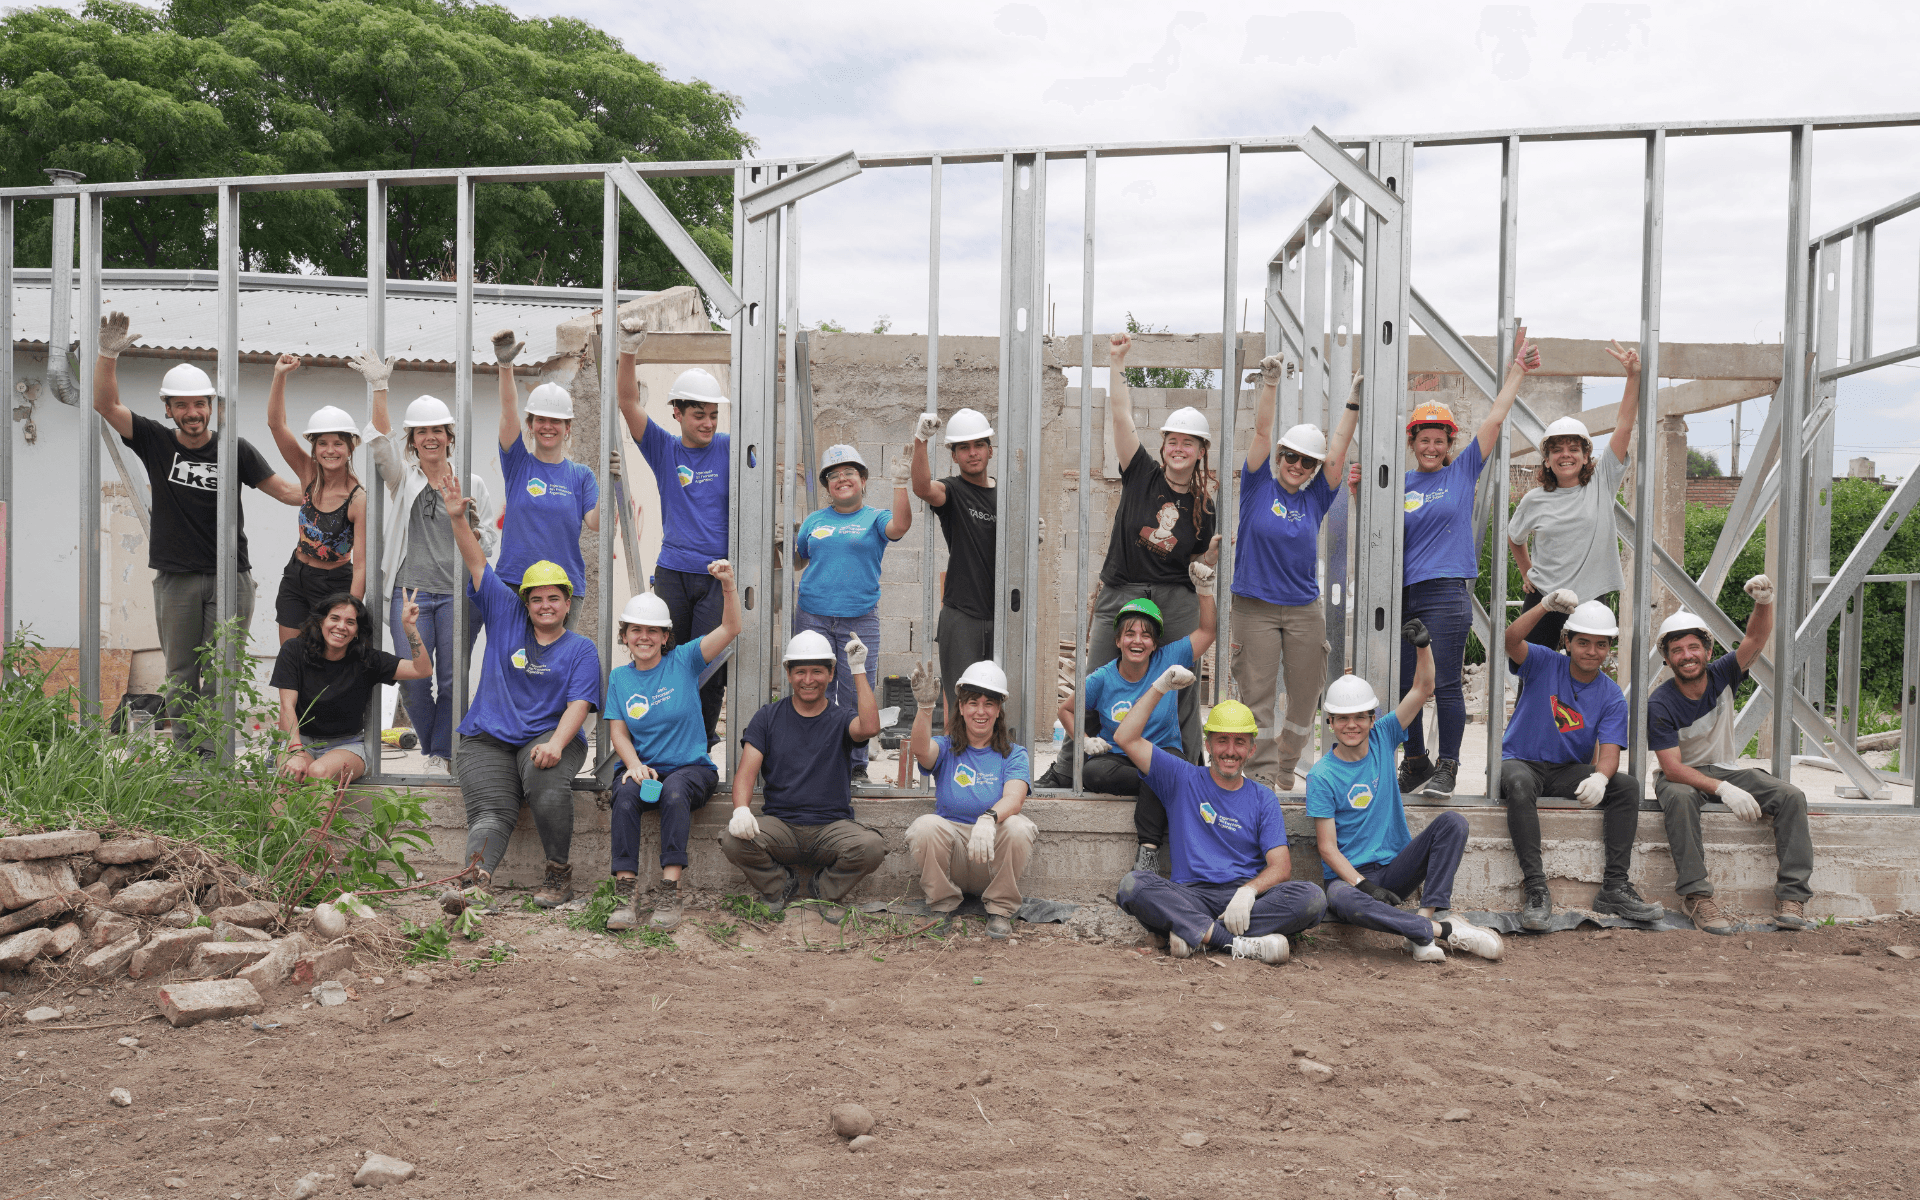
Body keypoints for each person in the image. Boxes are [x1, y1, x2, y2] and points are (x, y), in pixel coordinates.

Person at [90, 312, 303, 752]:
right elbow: (106, 406)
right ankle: (187, 757)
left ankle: (216, 756)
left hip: (231, 578)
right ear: (168, 409)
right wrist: (108, 355)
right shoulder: (154, 440)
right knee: (181, 673)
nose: (193, 413)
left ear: (211, 406)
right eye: (182, 405)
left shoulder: (234, 449)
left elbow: (287, 492)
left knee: (223, 671)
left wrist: (338, 488)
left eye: (200, 404)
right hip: (177, 578)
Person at [439, 475, 602, 905]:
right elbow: (477, 564)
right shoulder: (505, 612)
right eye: (536, 599)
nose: (545, 606)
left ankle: (558, 875)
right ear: (525, 602)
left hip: (548, 736)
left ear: (567, 602)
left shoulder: (581, 649)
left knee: (545, 781)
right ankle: (474, 884)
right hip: (486, 737)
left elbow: (579, 704)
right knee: (491, 811)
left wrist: (556, 744)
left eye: (554, 598)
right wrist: (458, 519)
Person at [1394, 329, 1539, 799]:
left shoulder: (1462, 472)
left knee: (1445, 684)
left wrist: (1517, 370)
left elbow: (1494, 419)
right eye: (1424, 440)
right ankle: (1415, 761)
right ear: (1413, 441)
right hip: (1404, 592)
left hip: (1445, 591)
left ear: (1449, 443)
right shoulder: (1399, 485)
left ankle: (1448, 765)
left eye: (1439, 440)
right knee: (1406, 683)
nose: (1432, 447)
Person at [1307, 626, 1506, 963]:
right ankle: (1439, 930)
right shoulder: (1321, 775)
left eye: (1359, 717)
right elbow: (1327, 848)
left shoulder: (1384, 736)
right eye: (1342, 718)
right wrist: (1363, 885)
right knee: (1340, 900)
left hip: (1396, 868)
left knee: (1453, 823)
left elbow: (1423, 688)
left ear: (1373, 718)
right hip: (1352, 879)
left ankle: (1424, 921)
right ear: (1329, 722)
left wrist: (1424, 646)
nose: (1351, 725)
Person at [1111, 670, 1327, 964]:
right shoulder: (1181, 778)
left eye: (1240, 742)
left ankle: (1195, 933)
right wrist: (1160, 687)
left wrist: (1248, 892)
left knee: (1312, 898)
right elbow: (1125, 737)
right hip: (1190, 897)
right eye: (1222, 740)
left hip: (1244, 904)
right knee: (1134, 885)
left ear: (1251, 749)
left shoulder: (1263, 798)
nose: (1230, 751)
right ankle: (1237, 944)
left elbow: (1281, 867)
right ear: (1208, 745)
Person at [1648, 578, 1815, 934]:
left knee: (1791, 796)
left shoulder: (1723, 674)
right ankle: (1696, 896)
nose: (1687, 655)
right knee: (1680, 798)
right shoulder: (1660, 703)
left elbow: (1755, 639)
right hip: (1681, 776)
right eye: (1677, 650)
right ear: (1667, 659)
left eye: (1694, 647)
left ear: (1708, 651)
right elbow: (1672, 768)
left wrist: (1764, 602)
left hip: (1725, 769)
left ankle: (1792, 897)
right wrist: (1724, 790)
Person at [359, 358, 499, 773]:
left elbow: (489, 542)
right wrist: (380, 387)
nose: (430, 437)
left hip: (459, 596)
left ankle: (444, 754)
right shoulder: (405, 479)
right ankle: (436, 747)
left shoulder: (472, 483)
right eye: (422, 431)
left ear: (449, 436)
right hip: (411, 596)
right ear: (413, 440)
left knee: (454, 680)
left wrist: (473, 530)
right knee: (413, 680)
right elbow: (380, 446)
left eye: (438, 430)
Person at [1089, 332, 1221, 760]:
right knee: (1097, 674)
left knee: (1182, 682)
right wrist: (1117, 362)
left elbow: (1195, 562)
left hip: (1175, 598)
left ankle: (1188, 764)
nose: (1179, 448)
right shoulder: (1141, 471)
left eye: (1188, 442)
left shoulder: (1204, 505)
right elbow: (1121, 415)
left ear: (1200, 451)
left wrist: (1208, 561)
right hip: (1122, 588)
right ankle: (1074, 763)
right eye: (1173, 441)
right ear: (1163, 446)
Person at [1231, 354, 1359, 792]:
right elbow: (1262, 432)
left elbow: (1337, 451)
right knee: (1258, 696)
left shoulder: (1315, 499)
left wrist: (1352, 404)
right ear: (1280, 455)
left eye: (1307, 462)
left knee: (1306, 695)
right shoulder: (1256, 486)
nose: (1297, 466)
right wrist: (1270, 384)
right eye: (1291, 456)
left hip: (1304, 609)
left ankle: (1288, 764)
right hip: (1254, 608)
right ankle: (1262, 773)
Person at [1500, 593, 1664, 929]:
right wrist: (1544, 606)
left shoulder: (1611, 695)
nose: (1592, 651)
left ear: (1609, 648)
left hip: (1565, 771)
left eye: (1601, 644)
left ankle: (1614, 887)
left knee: (1626, 786)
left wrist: (1601, 778)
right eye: (1583, 642)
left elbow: (1610, 753)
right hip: (1521, 761)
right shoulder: (1544, 662)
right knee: (1518, 783)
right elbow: (1510, 640)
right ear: (1568, 642)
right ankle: (1536, 889)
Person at [1035, 578, 1216, 874]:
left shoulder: (1168, 658)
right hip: (1118, 757)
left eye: (1146, 635)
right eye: (1129, 633)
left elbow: (1207, 632)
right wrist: (1084, 740)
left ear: (1154, 643)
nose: (1137, 641)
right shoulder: (1103, 678)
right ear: (1118, 640)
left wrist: (1205, 590)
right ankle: (1162, 779)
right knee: (1094, 772)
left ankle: (1148, 851)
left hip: (1162, 750)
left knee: (1164, 766)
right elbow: (1066, 710)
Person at [603, 563, 742, 934]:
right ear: (624, 636)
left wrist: (728, 586)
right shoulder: (619, 678)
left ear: (666, 636)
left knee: (675, 791)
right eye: (636, 630)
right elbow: (619, 734)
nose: (644, 637)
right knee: (625, 795)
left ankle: (670, 890)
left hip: (690, 769)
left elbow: (731, 628)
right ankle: (625, 893)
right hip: (645, 769)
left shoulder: (685, 660)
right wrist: (633, 765)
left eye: (653, 630)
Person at [617, 312, 732, 746]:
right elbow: (627, 403)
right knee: (664, 661)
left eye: (713, 415)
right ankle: (662, 740)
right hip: (673, 572)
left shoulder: (732, 449)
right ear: (678, 414)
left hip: (715, 575)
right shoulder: (665, 449)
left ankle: (700, 744)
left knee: (709, 666)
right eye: (698, 415)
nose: (708, 423)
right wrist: (629, 350)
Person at [719, 630, 887, 923]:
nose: (808, 679)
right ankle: (780, 885)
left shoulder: (841, 718)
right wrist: (741, 810)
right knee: (732, 840)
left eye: (817, 671)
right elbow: (746, 773)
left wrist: (858, 668)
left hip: (831, 827)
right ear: (788, 674)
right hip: (781, 825)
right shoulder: (767, 717)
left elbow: (870, 727)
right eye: (800, 672)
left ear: (831, 674)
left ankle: (826, 890)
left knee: (872, 847)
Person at [1507, 340, 1642, 649]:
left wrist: (1633, 376)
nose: (1565, 455)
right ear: (1546, 459)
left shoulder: (1601, 482)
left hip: (1590, 596)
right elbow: (1515, 538)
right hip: (1544, 597)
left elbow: (1623, 426)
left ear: (1585, 456)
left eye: (1573, 448)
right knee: (1532, 667)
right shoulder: (1534, 500)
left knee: (1587, 667)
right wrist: (1527, 574)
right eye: (1557, 450)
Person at [791, 443, 912, 776]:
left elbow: (901, 527)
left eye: (849, 473)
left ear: (863, 480)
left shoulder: (875, 518)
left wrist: (900, 484)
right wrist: (779, 544)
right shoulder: (814, 520)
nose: (841, 479)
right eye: (833, 475)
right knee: (814, 689)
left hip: (860, 620)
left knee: (857, 692)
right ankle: (814, 761)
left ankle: (855, 765)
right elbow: (798, 560)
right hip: (812, 617)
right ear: (827, 486)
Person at [903, 659, 1035, 941]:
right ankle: (941, 905)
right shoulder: (946, 747)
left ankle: (1000, 909)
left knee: (1019, 827)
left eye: (989, 704)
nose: (980, 711)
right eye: (973, 703)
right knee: (925, 825)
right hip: (954, 857)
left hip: (990, 855)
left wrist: (988, 819)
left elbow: (1015, 798)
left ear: (998, 710)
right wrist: (925, 708)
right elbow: (921, 751)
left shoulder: (1014, 753)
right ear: (961, 708)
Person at [270, 591, 432, 786]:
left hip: (347, 745)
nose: (341, 626)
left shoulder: (367, 659)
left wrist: (409, 627)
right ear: (321, 621)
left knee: (318, 772)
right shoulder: (294, 650)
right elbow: (287, 705)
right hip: (300, 741)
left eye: (350, 622)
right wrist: (295, 751)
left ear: (357, 631)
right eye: (334, 618)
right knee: (289, 776)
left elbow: (422, 670)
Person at [264, 355, 366, 644]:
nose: (330, 450)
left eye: (338, 443)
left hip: (334, 585)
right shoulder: (308, 474)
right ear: (315, 448)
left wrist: (351, 610)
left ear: (350, 448)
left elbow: (361, 565)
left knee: (326, 659)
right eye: (322, 443)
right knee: (291, 654)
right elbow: (276, 425)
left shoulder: (358, 499)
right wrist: (279, 374)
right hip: (296, 577)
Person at [492, 328, 600, 594]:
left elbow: (597, 523)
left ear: (567, 427)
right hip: (514, 583)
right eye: (540, 419)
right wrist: (505, 367)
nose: (548, 426)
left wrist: (612, 486)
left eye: (556, 421)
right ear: (530, 424)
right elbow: (508, 412)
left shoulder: (581, 476)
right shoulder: (518, 464)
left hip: (562, 588)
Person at [909, 407, 998, 725]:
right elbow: (923, 488)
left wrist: (1032, 541)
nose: (972, 453)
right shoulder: (954, 491)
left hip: (1003, 616)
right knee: (961, 706)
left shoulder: (1008, 495)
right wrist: (921, 440)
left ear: (990, 450)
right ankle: (956, 759)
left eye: (978, 445)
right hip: (962, 615)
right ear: (954, 455)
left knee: (999, 706)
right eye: (964, 447)